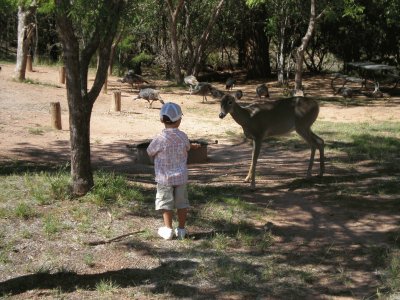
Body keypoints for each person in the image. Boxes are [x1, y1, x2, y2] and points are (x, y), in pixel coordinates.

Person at [147, 102, 199, 240]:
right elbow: (187, 147)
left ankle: (168, 229)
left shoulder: (159, 138)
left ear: (161, 120)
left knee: (166, 203)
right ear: (179, 120)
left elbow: (149, 151)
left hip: (164, 179)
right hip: (181, 177)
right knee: (182, 203)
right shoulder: (183, 136)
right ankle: (181, 230)